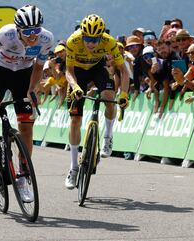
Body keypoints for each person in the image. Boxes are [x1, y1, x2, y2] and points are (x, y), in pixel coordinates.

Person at [0, 5, 54, 202]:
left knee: (27, 126)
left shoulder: (46, 39)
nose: (33, 36)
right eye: (28, 32)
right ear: (18, 30)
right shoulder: (6, 34)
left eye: (36, 30)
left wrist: (32, 89)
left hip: (23, 76)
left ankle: (23, 177)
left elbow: (38, 66)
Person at [64, 14, 129, 189]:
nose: (91, 43)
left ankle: (108, 135)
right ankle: (74, 167)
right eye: (88, 38)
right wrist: (75, 87)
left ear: (101, 36)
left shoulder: (109, 42)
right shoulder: (73, 41)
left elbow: (123, 71)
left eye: (95, 39)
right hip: (78, 73)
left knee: (109, 97)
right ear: (82, 34)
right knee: (75, 119)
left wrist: (123, 94)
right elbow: (68, 72)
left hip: (97, 69)